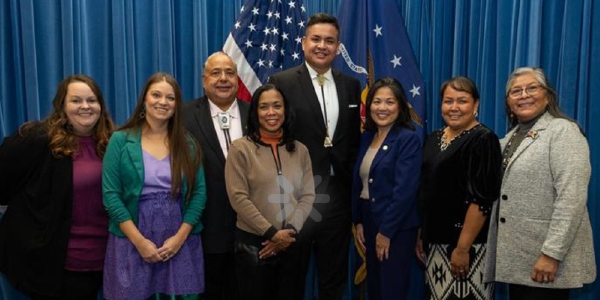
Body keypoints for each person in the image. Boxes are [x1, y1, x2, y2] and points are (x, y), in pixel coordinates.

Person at [268, 13, 361, 299]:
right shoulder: (282, 81)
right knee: (290, 276)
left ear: (337, 46)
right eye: (316, 39)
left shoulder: (351, 85)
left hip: (337, 195)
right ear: (304, 42)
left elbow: (352, 139)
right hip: (296, 196)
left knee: (333, 277)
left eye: (329, 41)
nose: (322, 46)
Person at [483, 67, 596, 299]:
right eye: (516, 91)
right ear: (508, 102)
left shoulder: (563, 131)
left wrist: (552, 253)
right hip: (518, 259)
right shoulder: (510, 137)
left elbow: (571, 198)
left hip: (545, 260)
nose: (524, 95)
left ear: (547, 96)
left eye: (532, 88)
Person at [0, 75, 114, 300]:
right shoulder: (36, 139)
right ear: (62, 105)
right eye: (76, 100)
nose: (85, 106)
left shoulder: (112, 143)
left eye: (92, 100)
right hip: (52, 265)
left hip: (100, 262)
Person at [102, 72, 206, 300]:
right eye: (156, 95)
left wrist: (179, 239)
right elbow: (111, 195)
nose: (163, 102)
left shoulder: (187, 143)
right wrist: (139, 242)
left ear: (177, 105)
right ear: (144, 100)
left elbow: (199, 193)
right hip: (131, 238)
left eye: (170, 98)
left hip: (179, 239)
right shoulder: (120, 140)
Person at [224, 83, 315, 300]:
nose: (271, 113)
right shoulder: (240, 149)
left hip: (293, 242)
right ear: (255, 112)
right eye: (264, 107)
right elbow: (238, 197)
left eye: (277, 106)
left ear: (286, 110)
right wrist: (273, 235)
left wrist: (289, 232)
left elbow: (308, 195)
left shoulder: (300, 150)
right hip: (255, 245)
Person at [416, 76, 501, 300]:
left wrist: (463, 248)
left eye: (462, 101)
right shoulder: (433, 138)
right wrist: (422, 234)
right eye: (448, 101)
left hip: (467, 247)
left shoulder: (484, 139)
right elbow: (427, 190)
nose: (454, 108)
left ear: (476, 104)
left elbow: (481, 201)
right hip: (435, 245)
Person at [183, 52, 248, 300]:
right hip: (205, 232)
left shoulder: (255, 114)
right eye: (216, 73)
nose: (223, 79)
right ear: (203, 80)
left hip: (251, 232)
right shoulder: (184, 116)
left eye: (230, 73)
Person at [351, 78, 421, 300]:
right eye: (377, 101)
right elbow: (359, 183)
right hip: (369, 222)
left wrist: (386, 232)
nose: (382, 108)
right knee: (376, 289)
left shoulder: (407, 139)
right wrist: (359, 221)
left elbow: (405, 192)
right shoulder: (367, 137)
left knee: (391, 290)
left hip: (395, 228)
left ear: (400, 106)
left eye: (389, 102)